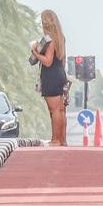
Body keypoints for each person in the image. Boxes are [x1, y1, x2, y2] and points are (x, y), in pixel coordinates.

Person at [31, 9, 69, 146]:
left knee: (54, 110)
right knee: (60, 109)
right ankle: (62, 140)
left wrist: (35, 52)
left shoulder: (49, 40)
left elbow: (47, 61)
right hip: (59, 73)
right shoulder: (61, 38)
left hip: (51, 75)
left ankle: (55, 140)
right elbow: (63, 59)